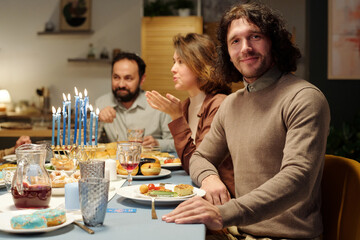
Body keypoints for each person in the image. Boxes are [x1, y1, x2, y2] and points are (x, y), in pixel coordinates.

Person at [162, 2, 330, 240]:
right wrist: (209, 178)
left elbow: (298, 178)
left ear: (274, 42)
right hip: (238, 231)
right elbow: (200, 157)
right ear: (228, 54)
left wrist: (223, 213)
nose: (245, 48)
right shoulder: (231, 104)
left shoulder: (304, 98)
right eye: (235, 41)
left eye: (255, 36)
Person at [146, 33, 235, 199]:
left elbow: (196, 164)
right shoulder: (187, 104)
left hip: (221, 199)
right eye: (174, 62)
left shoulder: (219, 104)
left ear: (200, 65)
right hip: (198, 189)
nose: (173, 68)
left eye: (181, 62)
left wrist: (176, 117)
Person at [95, 52, 175, 152]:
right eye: (116, 77)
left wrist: (157, 144)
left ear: (142, 79)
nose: (121, 84)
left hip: (151, 164)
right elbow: (88, 144)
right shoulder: (102, 103)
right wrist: (97, 119)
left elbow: (176, 143)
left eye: (128, 78)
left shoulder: (158, 105)